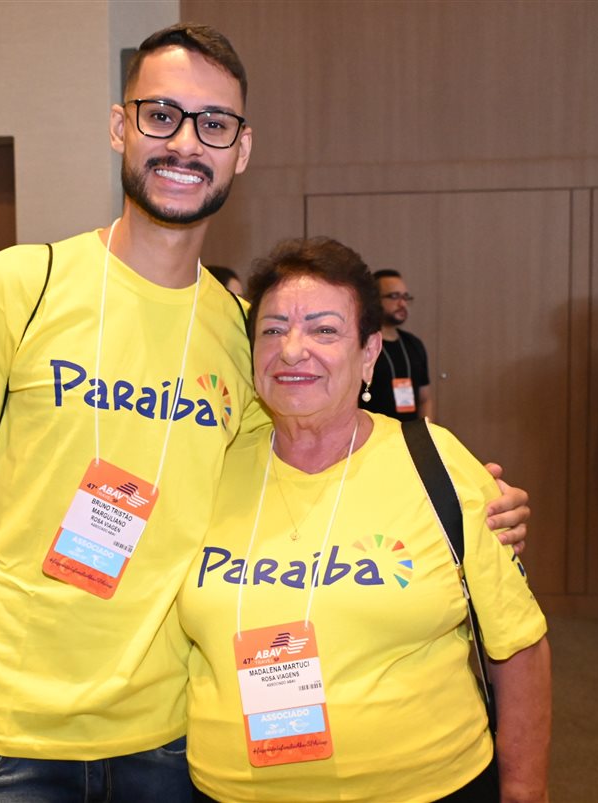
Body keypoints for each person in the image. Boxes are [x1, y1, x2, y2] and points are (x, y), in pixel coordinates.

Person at [0, 24, 531, 802]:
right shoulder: (19, 287)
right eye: (160, 115)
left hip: (170, 729)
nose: (185, 143)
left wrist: (462, 500)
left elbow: (301, 479)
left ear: (240, 150)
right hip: (5, 726)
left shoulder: (245, 333)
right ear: (120, 126)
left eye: (213, 124)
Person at [182, 238, 550, 800]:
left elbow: (517, 644)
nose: (292, 350)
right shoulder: (208, 468)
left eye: (324, 330)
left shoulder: (437, 462)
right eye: (273, 329)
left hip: (427, 789)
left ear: (369, 352)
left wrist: (526, 790)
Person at [360, 269, 433, 422]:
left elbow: (425, 399)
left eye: (406, 297)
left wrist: (426, 435)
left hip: (410, 437)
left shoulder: (413, 344)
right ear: (374, 300)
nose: (402, 303)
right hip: (372, 438)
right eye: (394, 296)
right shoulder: (362, 345)